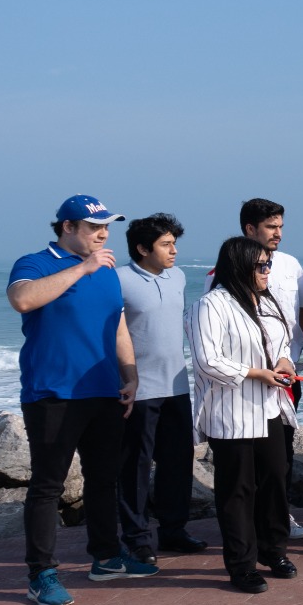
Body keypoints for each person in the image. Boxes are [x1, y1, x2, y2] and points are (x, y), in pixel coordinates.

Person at [8, 195, 154, 605]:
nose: (104, 234)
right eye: (95, 227)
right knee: (47, 487)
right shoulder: (35, 262)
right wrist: (83, 267)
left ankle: (106, 558)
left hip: (105, 392)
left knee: (104, 480)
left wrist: (130, 376)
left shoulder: (108, 271)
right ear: (67, 227)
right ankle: (41, 574)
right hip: (53, 395)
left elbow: (117, 326)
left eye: (107, 226)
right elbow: (21, 299)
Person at [188, 236, 298, 593]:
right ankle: (241, 564)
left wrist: (283, 363)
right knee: (238, 490)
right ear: (239, 266)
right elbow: (208, 361)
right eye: (261, 265)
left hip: (269, 407)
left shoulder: (268, 302)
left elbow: (282, 344)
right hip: (231, 412)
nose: (268, 271)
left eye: (269, 265)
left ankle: (274, 550)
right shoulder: (210, 304)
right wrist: (256, 373)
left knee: (275, 482)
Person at [116, 212, 205, 562]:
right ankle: (137, 537)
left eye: (174, 243)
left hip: (176, 386)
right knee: (135, 466)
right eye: (166, 244)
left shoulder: (178, 276)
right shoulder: (117, 279)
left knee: (177, 462)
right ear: (141, 248)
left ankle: (173, 530)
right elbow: (111, 332)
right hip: (137, 390)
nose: (174, 251)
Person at [224, 199, 303, 541]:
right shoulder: (228, 268)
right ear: (250, 229)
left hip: (286, 375)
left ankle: (280, 516)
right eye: (271, 227)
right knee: (245, 459)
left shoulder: (289, 265)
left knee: (282, 453)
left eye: (280, 227)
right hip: (244, 381)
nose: (278, 233)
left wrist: (294, 352)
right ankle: (245, 525)